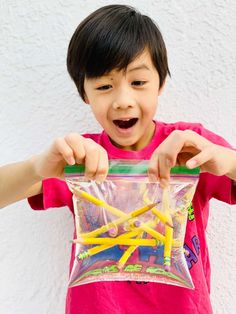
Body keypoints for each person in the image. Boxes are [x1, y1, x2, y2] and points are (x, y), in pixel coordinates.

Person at [1, 4, 236, 314]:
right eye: (104, 86)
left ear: (161, 83)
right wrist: (36, 167)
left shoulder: (190, 146)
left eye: (138, 82)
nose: (123, 101)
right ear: (85, 93)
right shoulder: (80, 157)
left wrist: (226, 161)